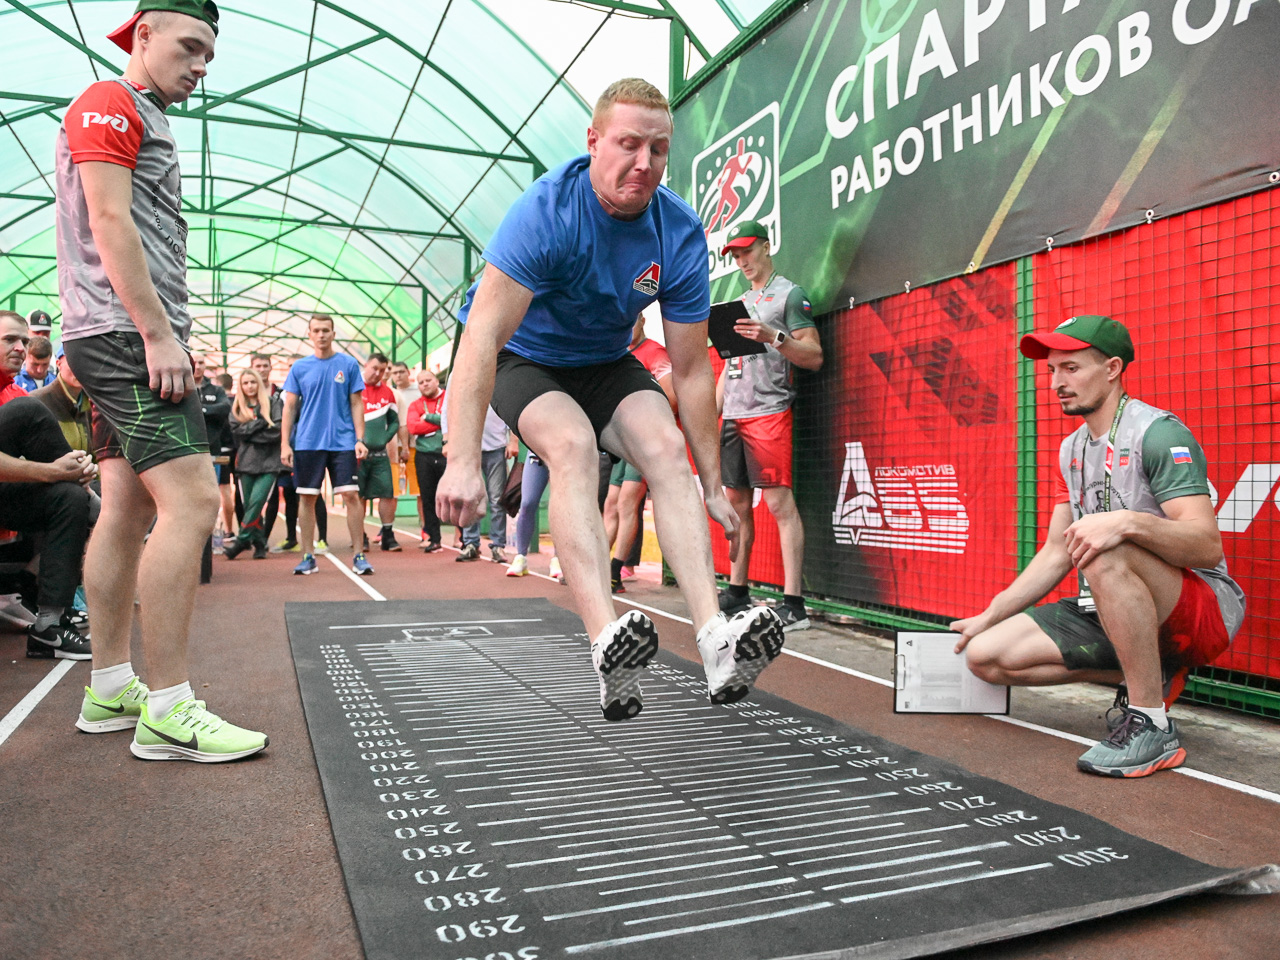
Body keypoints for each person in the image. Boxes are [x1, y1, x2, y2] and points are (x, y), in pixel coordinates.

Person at [437, 77, 784, 722]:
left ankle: (715, 639)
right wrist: (461, 459)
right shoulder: (546, 213)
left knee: (666, 448)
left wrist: (713, 484)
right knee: (572, 446)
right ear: (594, 141)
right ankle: (606, 641)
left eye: (659, 149)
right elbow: (481, 338)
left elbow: (692, 369)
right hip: (524, 357)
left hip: (603, 360)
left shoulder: (677, 231)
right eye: (628, 144)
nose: (644, 163)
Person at [54, 0, 267, 761]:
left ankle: (111, 687)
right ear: (143, 35)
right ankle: (170, 709)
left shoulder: (141, 112)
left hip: (118, 333)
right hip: (121, 334)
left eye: (210, 53)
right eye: (190, 46)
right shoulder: (109, 101)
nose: (201, 65)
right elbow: (109, 221)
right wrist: (156, 333)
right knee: (196, 501)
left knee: (126, 508)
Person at [951, 315, 1244, 778]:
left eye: (1071, 368)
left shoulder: (1158, 433)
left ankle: (1151, 723)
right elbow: (1056, 552)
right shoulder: (1071, 449)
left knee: (1107, 547)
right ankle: (1152, 674)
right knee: (985, 655)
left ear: (1111, 369)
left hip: (1201, 609)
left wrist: (1128, 523)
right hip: (1113, 602)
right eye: (1052, 370)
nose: (1056, 383)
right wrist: (990, 615)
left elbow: (1206, 545)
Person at [716, 219, 824, 632]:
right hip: (734, 415)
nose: (742, 260)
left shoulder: (789, 294)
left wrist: (774, 337)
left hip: (769, 411)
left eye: (747, 251)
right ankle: (737, 589)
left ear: (766, 246)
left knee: (779, 504)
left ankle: (794, 604)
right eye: (735, 255)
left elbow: (814, 356)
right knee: (737, 505)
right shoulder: (739, 302)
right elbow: (730, 366)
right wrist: (711, 416)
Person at [0, 311, 94, 660]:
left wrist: (69, 471)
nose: (20, 347)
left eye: (23, 341)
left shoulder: (13, 392)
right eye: (10, 339)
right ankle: (96, 502)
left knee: (70, 499)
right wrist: (55, 471)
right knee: (29, 411)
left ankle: (49, 625)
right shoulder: (24, 402)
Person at [280, 313, 371, 575]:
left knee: (351, 495)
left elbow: (356, 403)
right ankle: (308, 556)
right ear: (309, 334)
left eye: (326, 330)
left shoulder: (348, 364)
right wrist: (285, 444)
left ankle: (359, 556)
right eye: (316, 330)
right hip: (308, 442)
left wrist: (360, 439)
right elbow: (289, 408)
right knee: (307, 498)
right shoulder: (299, 368)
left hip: (343, 442)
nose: (321, 335)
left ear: (333, 333)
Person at [446, 405, 517, 563]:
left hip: (497, 449)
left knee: (497, 500)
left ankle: (498, 546)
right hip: (470, 450)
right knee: (469, 497)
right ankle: (471, 544)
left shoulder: (500, 390)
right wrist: (447, 440)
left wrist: (513, 441)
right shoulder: (461, 388)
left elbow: (511, 413)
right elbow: (448, 411)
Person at [225, 368, 282, 560]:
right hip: (245, 463)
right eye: (245, 383)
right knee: (250, 505)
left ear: (259, 383)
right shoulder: (236, 407)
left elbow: (277, 432)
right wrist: (261, 423)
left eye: (253, 382)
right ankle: (259, 543)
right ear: (240, 386)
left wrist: (250, 432)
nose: (249, 386)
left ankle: (242, 540)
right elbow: (237, 432)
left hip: (269, 463)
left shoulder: (273, 403)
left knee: (257, 502)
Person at [357, 352, 406, 553]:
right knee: (357, 495)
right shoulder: (353, 387)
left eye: (382, 370)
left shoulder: (388, 393)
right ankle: (359, 535)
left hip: (380, 454)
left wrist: (385, 438)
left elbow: (395, 421)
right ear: (366, 365)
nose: (377, 373)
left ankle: (388, 534)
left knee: (387, 493)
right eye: (374, 368)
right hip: (356, 455)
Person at [407, 367, 447, 552]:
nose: (424, 384)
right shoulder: (415, 405)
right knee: (427, 498)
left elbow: (452, 421)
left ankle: (463, 538)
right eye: (421, 382)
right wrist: (439, 423)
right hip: (424, 455)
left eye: (428, 380)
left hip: (446, 453)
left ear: (436, 381)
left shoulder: (448, 398)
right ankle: (434, 539)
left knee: (453, 497)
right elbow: (413, 427)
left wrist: (428, 418)